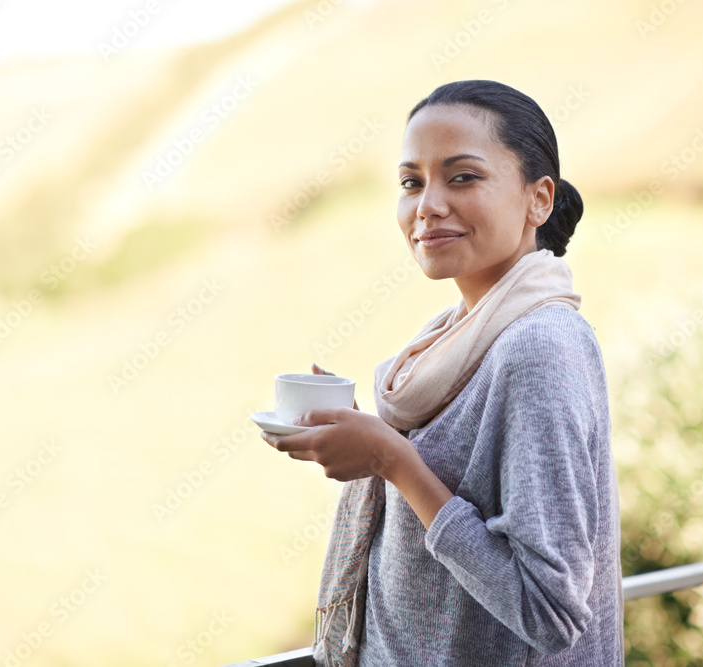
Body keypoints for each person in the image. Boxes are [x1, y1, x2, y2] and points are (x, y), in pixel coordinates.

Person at [259, 80, 624, 666]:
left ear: (540, 199)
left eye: (463, 177)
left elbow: (551, 612)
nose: (427, 205)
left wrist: (392, 460)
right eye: (411, 182)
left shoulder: (539, 347)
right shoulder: (454, 332)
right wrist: (366, 435)